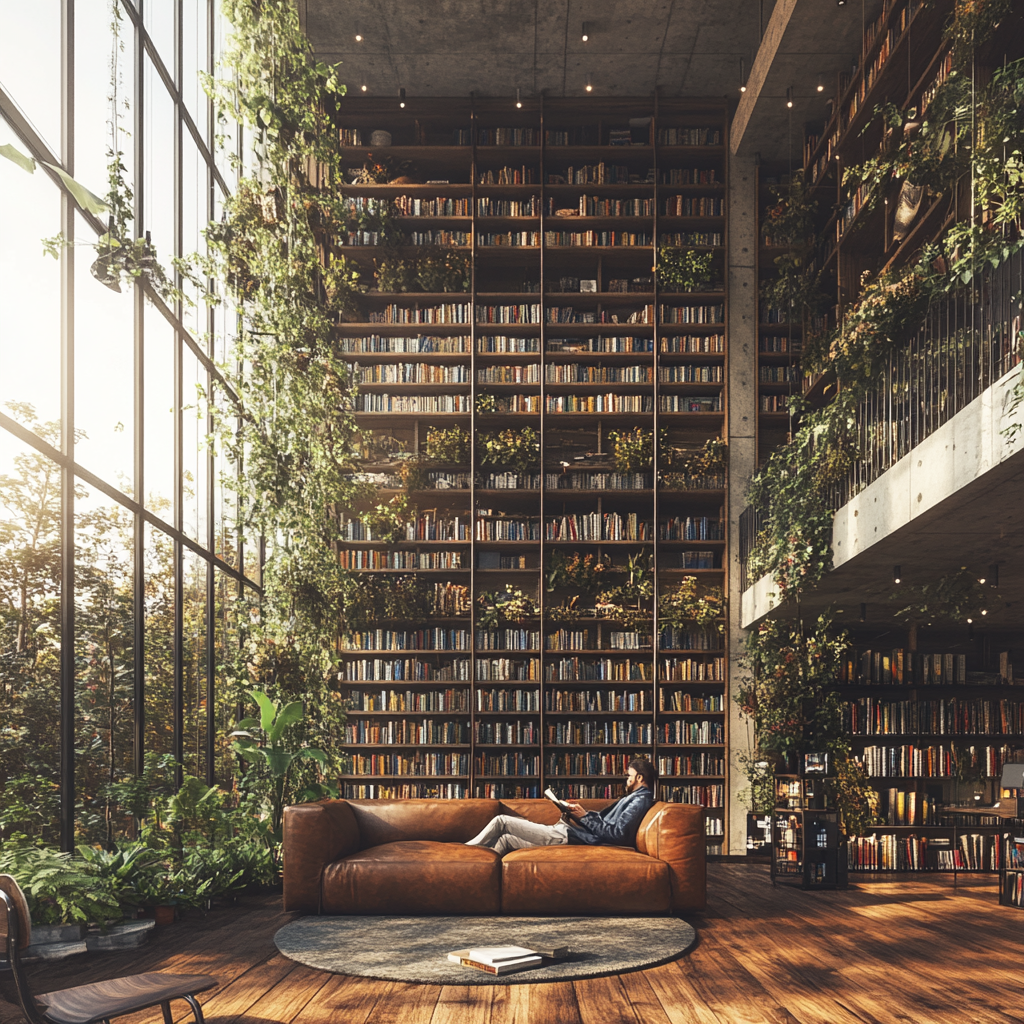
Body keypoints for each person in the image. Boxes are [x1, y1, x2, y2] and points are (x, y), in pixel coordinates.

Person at [465, 757, 657, 855]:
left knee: (502, 821)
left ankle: (465, 853)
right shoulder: (635, 798)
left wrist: (584, 817)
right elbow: (607, 824)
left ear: (639, 777)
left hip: (569, 836)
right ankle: (472, 879)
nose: (627, 778)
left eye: (629, 775)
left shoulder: (640, 800)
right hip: (568, 831)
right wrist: (579, 814)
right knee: (506, 840)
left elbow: (618, 834)